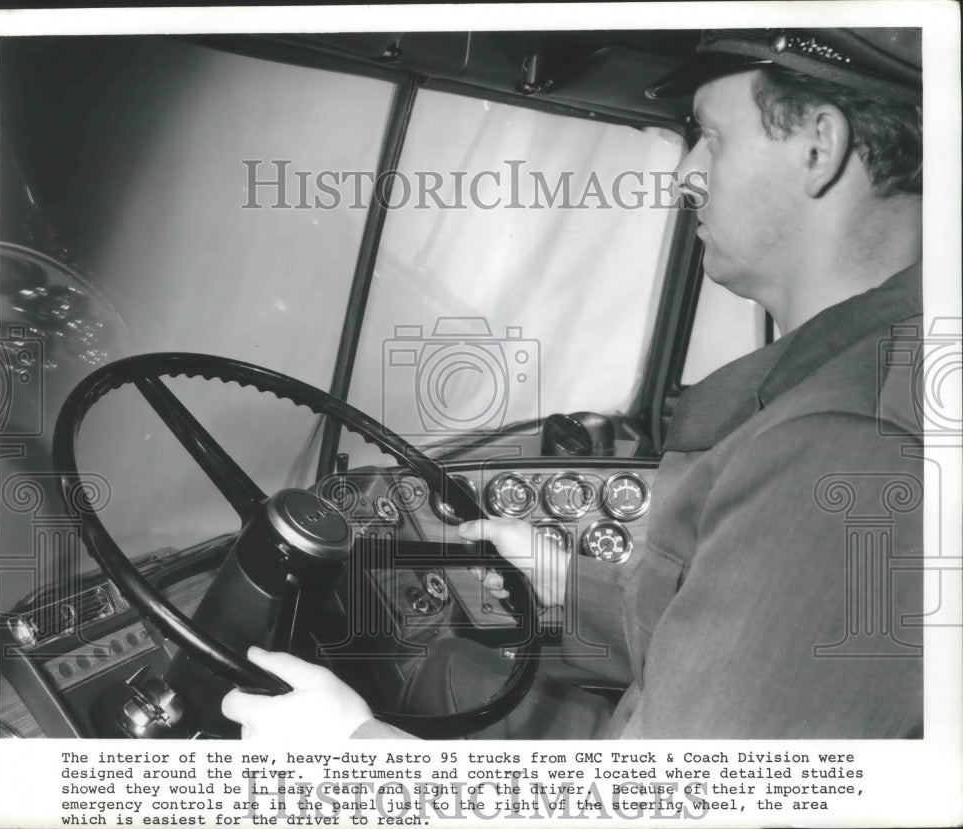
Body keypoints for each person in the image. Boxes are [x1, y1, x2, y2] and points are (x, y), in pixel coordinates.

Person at [222, 27, 925, 740]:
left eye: (711, 137)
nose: (685, 173)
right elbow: (726, 644)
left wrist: (351, 751)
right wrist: (560, 582)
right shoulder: (851, 378)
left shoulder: (845, 441)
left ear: (819, 148)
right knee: (443, 668)